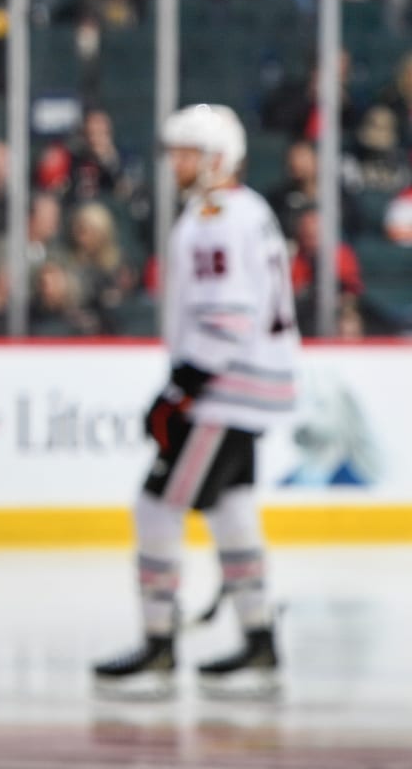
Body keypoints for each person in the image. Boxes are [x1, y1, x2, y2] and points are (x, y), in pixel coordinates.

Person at [94, 104, 297, 700]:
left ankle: (159, 641)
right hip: (253, 387)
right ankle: (259, 637)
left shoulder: (215, 218)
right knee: (232, 508)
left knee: (155, 509)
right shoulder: (250, 208)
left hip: (225, 391)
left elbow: (226, 317)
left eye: (187, 153)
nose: (176, 163)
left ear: (217, 159)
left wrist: (180, 388)